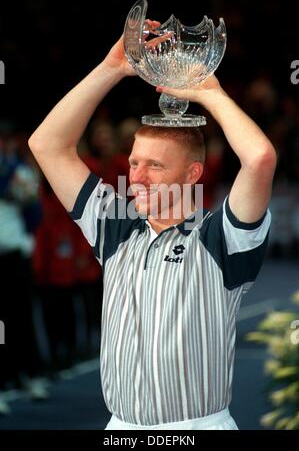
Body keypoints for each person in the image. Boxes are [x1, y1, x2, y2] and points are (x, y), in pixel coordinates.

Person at [28, 25, 277, 430]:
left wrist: (210, 94)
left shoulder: (221, 238)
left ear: (192, 173)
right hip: (120, 428)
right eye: (133, 162)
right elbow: (47, 145)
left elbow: (260, 158)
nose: (137, 177)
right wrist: (110, 69)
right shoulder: (116, 228)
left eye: (155, 166)